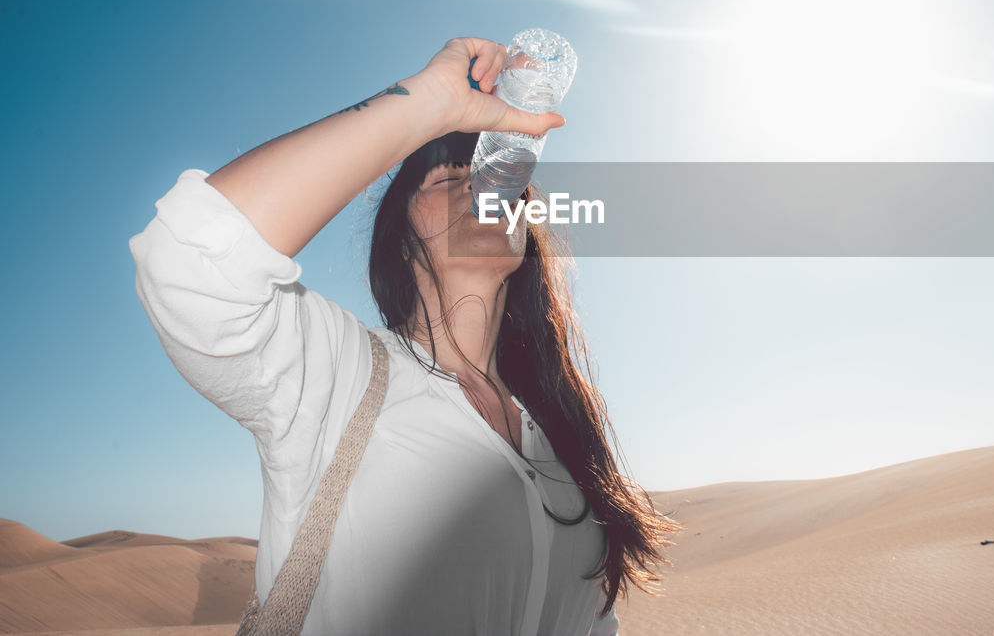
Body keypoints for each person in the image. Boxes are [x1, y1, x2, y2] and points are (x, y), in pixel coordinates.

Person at [129, 36, 680, 635]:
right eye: (449, 179)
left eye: (497, 180)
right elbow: (188, 259)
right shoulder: (334, 373)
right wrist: (427, 102)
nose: (484, 191)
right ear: (397, 242)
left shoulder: (561, 448)